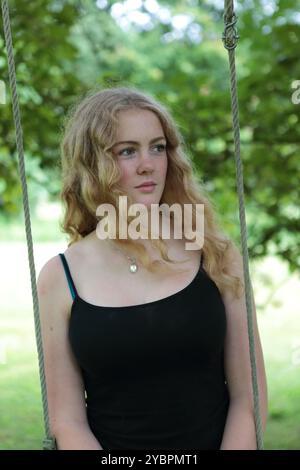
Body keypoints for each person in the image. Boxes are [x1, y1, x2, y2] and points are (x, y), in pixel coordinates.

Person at [37, 86, 268, 450]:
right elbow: (66, 421)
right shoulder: (61, 276)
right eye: (127, 151)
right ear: (91, 164)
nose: (148, 164)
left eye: (157, 147)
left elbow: (248, 398)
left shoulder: (214, 252)